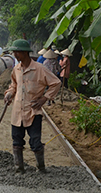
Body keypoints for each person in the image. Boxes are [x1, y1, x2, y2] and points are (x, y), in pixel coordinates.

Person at [4, 39, 61, 174]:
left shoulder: (39, 69)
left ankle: (41, 168)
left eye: (17, 52)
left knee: (35, 142)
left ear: (25, 53)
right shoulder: (16, 69)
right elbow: (14, 85)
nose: (15, 54)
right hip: (17, 112)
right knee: (17, 141)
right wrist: (9, 94)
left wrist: (45, 98)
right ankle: (19, 169)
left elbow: (56, 83)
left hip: (33, 111)